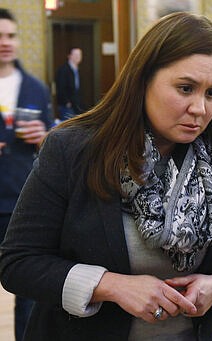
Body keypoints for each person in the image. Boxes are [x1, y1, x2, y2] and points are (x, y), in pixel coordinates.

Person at [0, 12, 212, 340]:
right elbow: (19, 262)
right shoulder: (74, 149)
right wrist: (109, 286)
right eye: (185, 88)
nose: (199, 108)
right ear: (143, 80)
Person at [0, 8, 52, 341]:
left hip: (21, 201)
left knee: (28, 293)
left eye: (10, 36)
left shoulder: (35, 88)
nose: (5, 43)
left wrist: (43, 137)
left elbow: (52, 147)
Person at [55, 47, 83, 120]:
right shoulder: (63, 70)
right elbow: (60, 87)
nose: (78, 57)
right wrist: (67, 102)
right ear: (70, 56)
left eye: (79, 55)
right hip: (66, 106)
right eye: (75, 55)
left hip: (76, 105)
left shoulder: (76, 69)